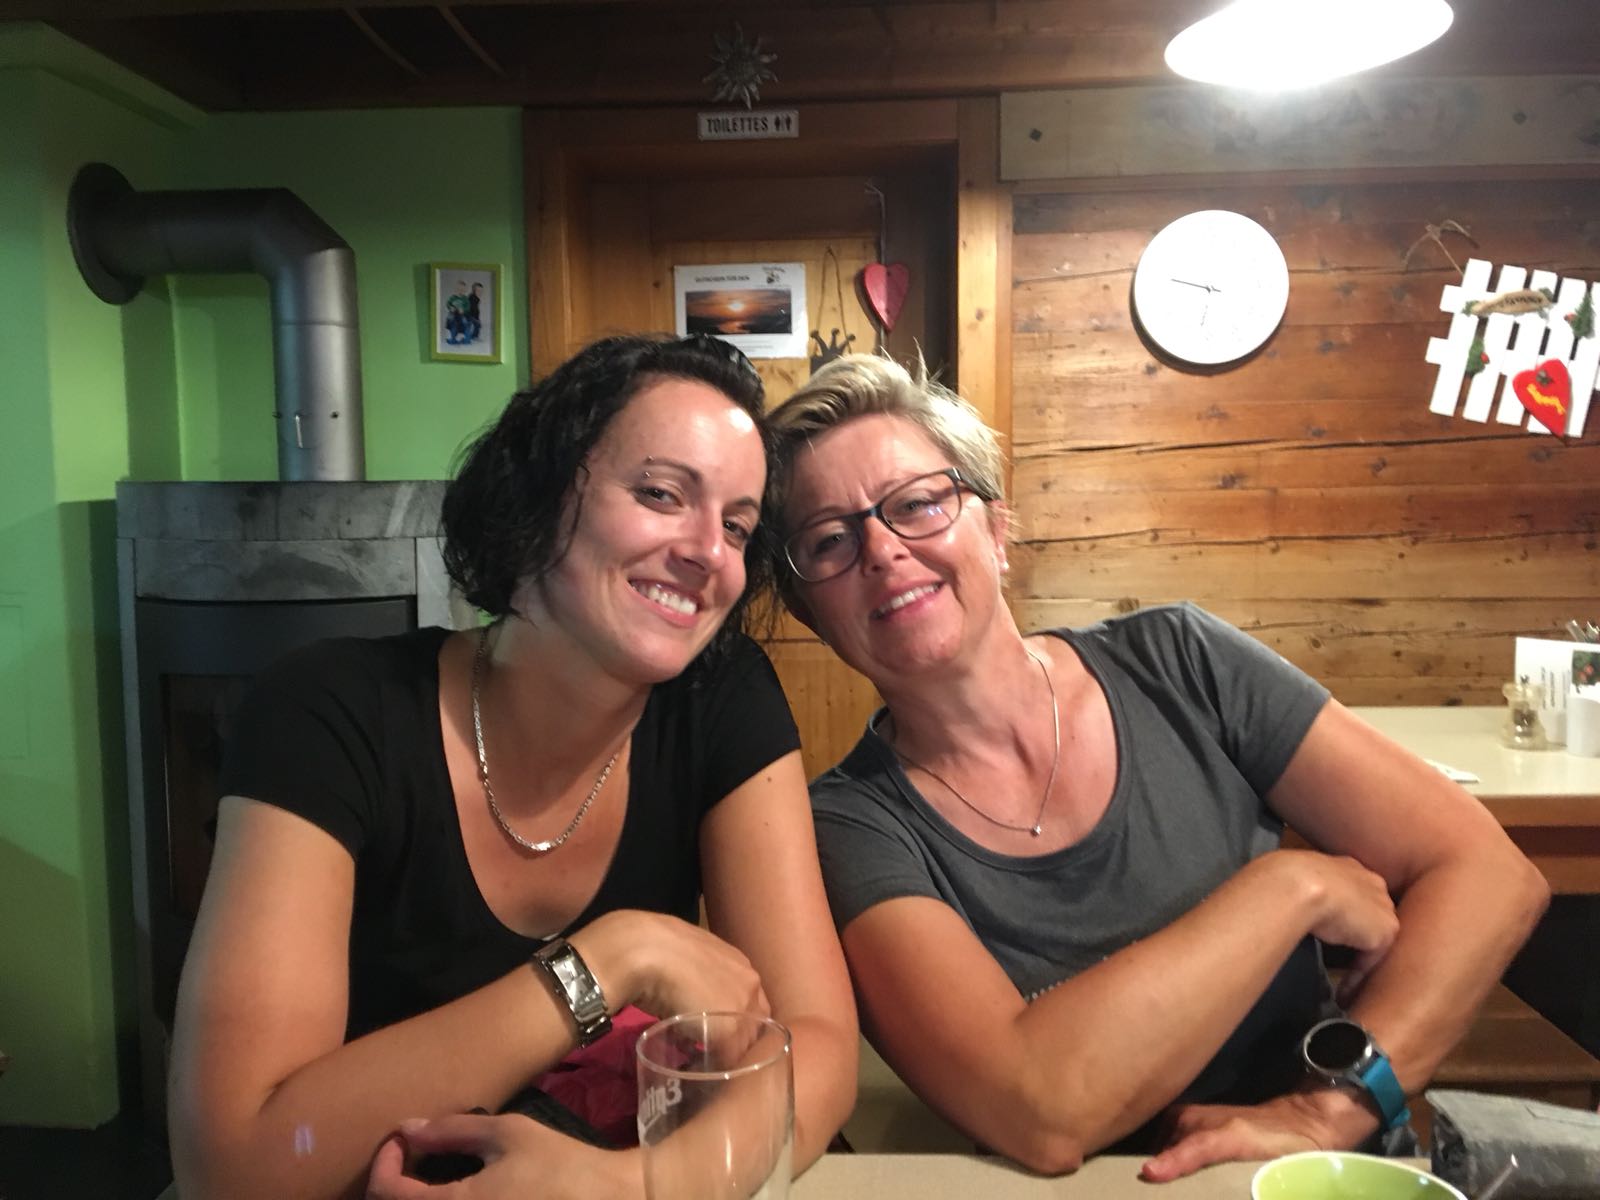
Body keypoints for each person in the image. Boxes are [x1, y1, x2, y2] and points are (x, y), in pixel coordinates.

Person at [763, 354, 1548, 1181]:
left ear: (995, 531)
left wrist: (1327, 1112)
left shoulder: (1182, 661)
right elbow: (1036, 1107)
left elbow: (1489, 873)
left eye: (919, 503)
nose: (883, 549)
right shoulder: (848, 826)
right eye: (830, 540)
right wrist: (1292, 888)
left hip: (1322, 1177)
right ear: (814, 615)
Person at [168, 334, 857, 1200]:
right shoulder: (328, 712)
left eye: (737, 527)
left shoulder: (720, 698)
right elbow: (231, 1168)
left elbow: (818, 1048)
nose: (709, 552)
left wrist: (635, 1188)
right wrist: (610, 959)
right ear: (536, 492)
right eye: (660, 493)